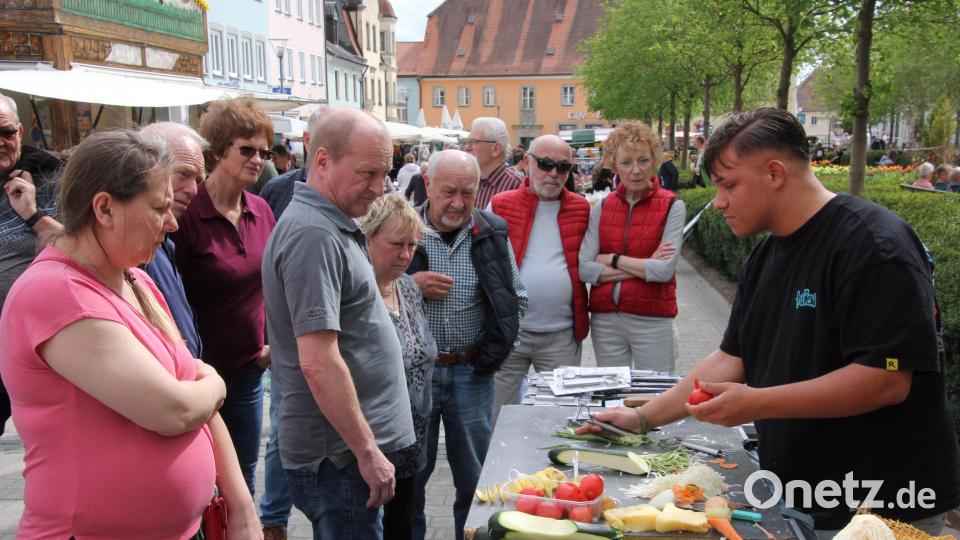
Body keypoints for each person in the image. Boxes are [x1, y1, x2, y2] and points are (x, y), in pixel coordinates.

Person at [579, 108, 960, 536]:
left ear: (775, 173)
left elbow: (886, 379)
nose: (719, 202)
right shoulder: (765, 255)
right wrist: (645, 417)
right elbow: (731, 356)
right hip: (803, 495)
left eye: (728, 185)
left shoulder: (874, 246)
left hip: (883, 505)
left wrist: (757, 402)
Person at [0, 130, 261, 539]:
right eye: (159, 208)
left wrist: (242, 507)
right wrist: (215, 383)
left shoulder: (134, 277)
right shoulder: (56, 291)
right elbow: (173, 409)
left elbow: (193, 400)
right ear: (104, 208)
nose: (172, 222)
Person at [261, 109, 414, 539]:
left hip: (345, 456)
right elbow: (318, 361)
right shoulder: (314, 235)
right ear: (323, 160)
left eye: (385, 173)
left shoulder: (332, 222)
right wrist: (367, 452)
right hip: (339, 458)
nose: (379, 188)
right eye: (368, 173)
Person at [407, 149, 527, 540]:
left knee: (475, 481)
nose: (458, 203)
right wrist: (412, 286)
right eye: (448, 192)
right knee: (409, 479)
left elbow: (517, 299)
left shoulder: (490, 230)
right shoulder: (399, 227)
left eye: (468, 193)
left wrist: (494, 356)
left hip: (471, 373)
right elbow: (369, 294)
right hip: (412, 378)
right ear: (427, 184)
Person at [173, 97, 276, 496]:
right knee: (202, 486)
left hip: (248, 374)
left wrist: (270, 342)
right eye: (246, 149)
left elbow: (274, 282)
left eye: (264, 152)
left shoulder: (261, 209)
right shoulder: (187, 214)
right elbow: (168, 295)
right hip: (195, 377)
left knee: (243, 481)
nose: (257, 159)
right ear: (218, 150)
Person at [257, 104, 332, 540]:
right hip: (290, 332)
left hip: (330, 333)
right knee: (283, 429)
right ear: (310, 146)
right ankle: (273, 519)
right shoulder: (280, 191)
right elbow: (267, 260)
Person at [490, 135, 589, 419]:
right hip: (510, 333)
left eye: (564, 167)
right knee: (496, 416)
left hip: (562, 335)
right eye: (545, 164)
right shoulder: (500, 205)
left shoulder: (582, 208)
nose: (554, 173)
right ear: (525, 163)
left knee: (559, 418)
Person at [360, 194, 438, 540]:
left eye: (412, 245)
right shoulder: (356, 294)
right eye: (396, 244)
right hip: (369, 446)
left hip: (412, 442)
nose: (406, 255)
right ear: (368, 238)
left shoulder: (408, 288)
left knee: (402, 528)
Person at [579, 122, 685, 371]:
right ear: (614, 165)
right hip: (605, 321)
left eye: (643, 160)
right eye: (626, 162)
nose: (635, 170)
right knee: (613, 397)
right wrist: (644, 266)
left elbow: (663, 272)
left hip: (653, 319)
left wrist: (611, 259)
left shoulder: (672, 205)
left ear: (654, 161)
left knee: (655, 397)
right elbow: (584, 268)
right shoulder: (603, 207)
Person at [0, 92, 63, 436]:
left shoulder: (54, 177)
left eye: (6, 132)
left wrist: (32, 214)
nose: (0, 142)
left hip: (55, 346)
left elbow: (85, 247)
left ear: (21, 132)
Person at [139, 122, 205, 358]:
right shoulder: (128, 247)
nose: (194, 190)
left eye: (198, 180)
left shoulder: (164, 241)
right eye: (184, 174)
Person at [464, 117, 522, 209]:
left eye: (474, 142)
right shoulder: (467, 181)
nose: (467, 147)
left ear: (496, 149)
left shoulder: (516, 186)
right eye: (467, 142)